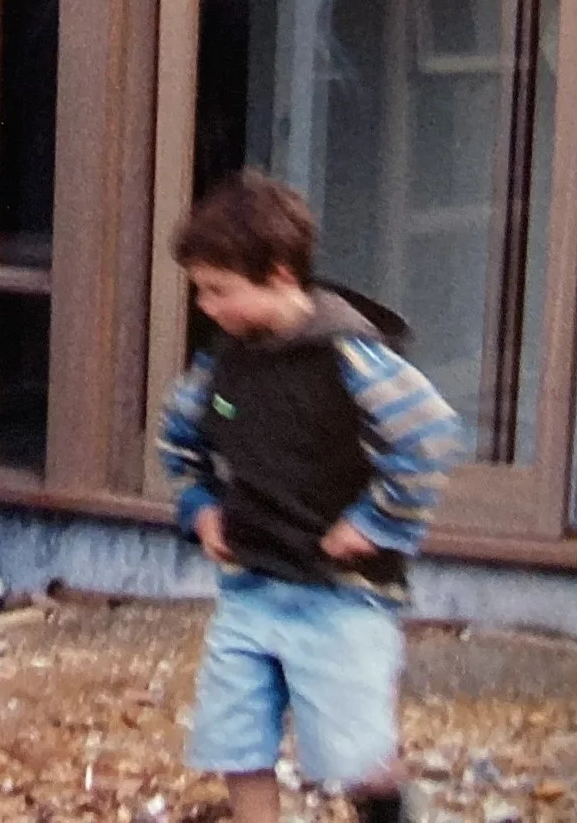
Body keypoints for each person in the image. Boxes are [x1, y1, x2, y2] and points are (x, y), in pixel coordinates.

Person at [157, 170, 465, 823]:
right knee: (234, 733)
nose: (206, 306)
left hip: (340, 592)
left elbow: (429, 433)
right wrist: (200, 505)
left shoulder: (348, 355)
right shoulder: (224, 361)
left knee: (352, 752)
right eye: (200, 291)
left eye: (219, 290)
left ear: (279, 274)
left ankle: (392, 810)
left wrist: (378, 521)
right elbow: (178, 435)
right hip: (249, 584)